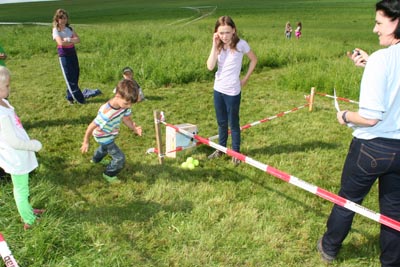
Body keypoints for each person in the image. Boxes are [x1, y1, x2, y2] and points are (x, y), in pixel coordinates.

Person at [317, 1, 400, 266]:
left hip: (371, 148)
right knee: (394, 212)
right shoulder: (381, 60)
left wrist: (345, 116)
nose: (374, 29)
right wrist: (371, 65)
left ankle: (329, 247)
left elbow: (371, 117)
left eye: (379, 22)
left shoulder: (382, 59)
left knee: (348, 200)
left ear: (396, 22)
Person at [206, 16, 257, 166]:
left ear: (234, 30)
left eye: (227, 32)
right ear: (216, 33)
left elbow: (254, 59)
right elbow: (210, 66)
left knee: (233, 123)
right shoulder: (219, 45)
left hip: (233, 91)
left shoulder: (241, 44)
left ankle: (236, 152)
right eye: (221, 33)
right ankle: (221, 149)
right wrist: (214, 45)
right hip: (218, 89)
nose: (224, 36)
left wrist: (245, 78)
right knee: (221, 122)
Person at [0, 66, 45, 230]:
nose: (9, 88)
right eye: (6, 86)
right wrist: (34, 145)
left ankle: (28, 210)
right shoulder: (1, 115)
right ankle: (29, 219)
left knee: (23, 188)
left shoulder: (4, 102)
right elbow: (13, 142)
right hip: (15, 157)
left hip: (17, 154)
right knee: (20, 189)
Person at [80, 79, 142, 183]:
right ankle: (109, 173)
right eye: (127, 103)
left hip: (109, 133)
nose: (129, 106)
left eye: (131, 104)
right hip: (103, 136)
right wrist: (86, 141)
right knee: (119, 158)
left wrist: (134, 128)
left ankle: (95, 160)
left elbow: (126, 119)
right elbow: (91, 126)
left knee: (104, 149)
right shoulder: (107, 113)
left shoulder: (124, 105)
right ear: (117, 96)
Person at [52, 9, 101, 105]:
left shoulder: (69, 29)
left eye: (65, 18)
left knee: (75, 75)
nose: (64, 20)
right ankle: (81, 100)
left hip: (73, 54)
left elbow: (78, 40)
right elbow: (60, 43)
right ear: (57, 19)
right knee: (69, 77)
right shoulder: (55, 30)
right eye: (61, 18)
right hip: (64, 56)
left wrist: (68, 39)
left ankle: (70, 97)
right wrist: (70, 41)